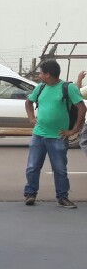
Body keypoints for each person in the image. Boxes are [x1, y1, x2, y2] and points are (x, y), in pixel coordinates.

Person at [24, 59, 84, 208]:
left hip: (58, 136)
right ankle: (30, 194)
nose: (38, 75)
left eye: (40, 73)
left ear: (48, 75)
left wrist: (75, 129)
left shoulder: (68, 88)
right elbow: (28, 102)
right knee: (32, 167)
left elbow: (82, 108)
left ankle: (62, 197)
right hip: (39, 135)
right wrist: (31, 118)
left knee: (59, 169)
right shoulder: (41, 88)